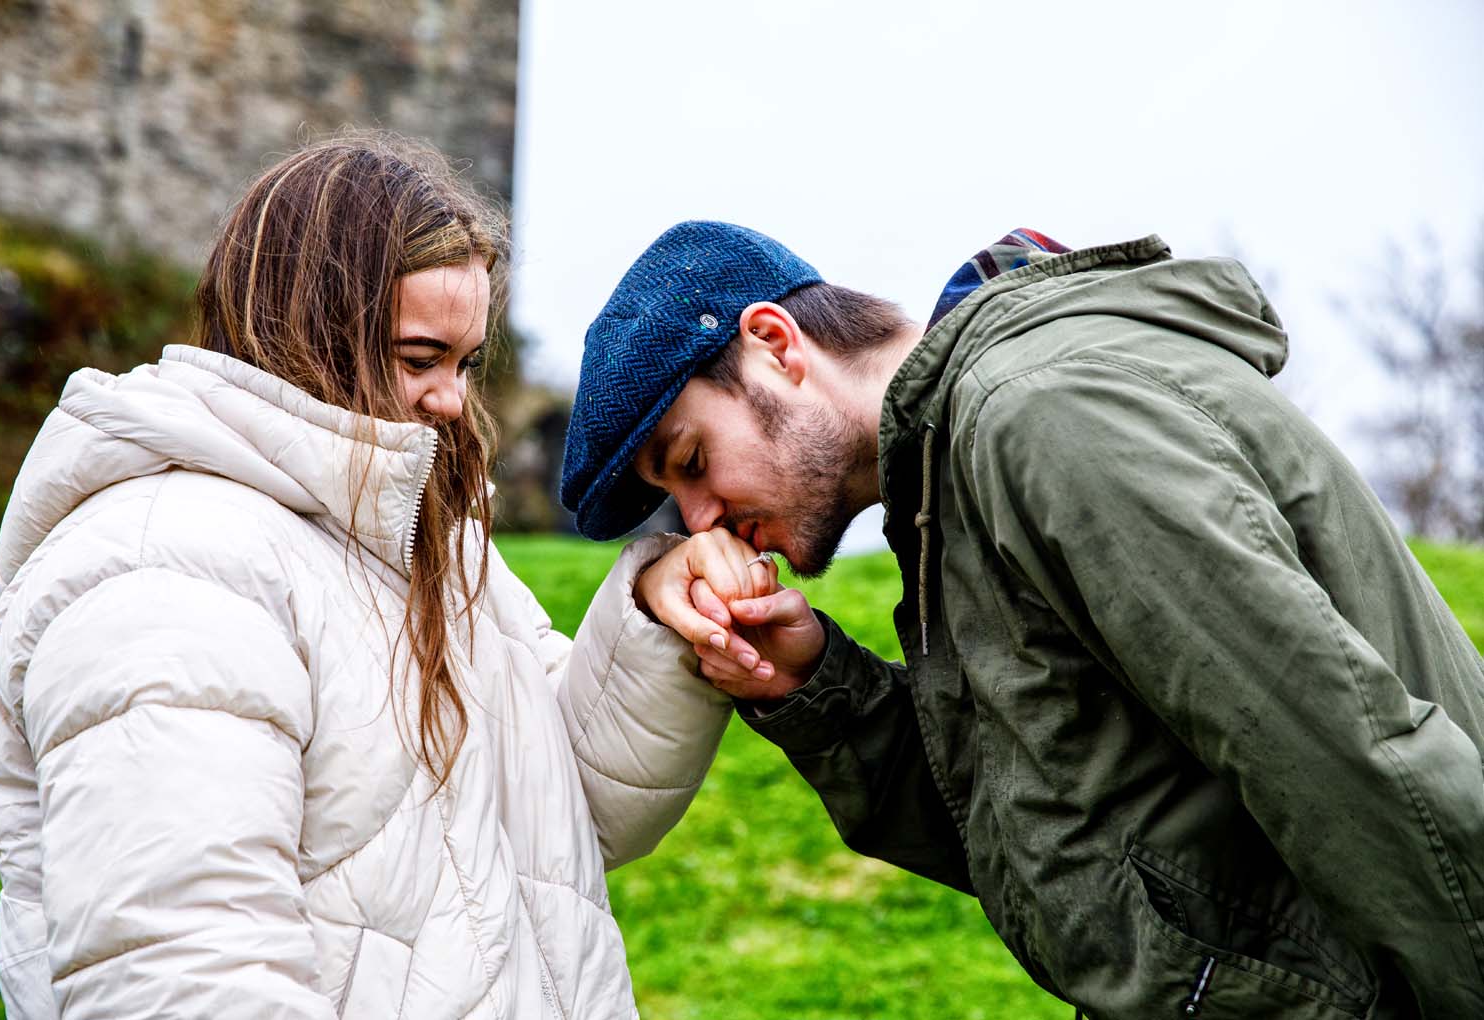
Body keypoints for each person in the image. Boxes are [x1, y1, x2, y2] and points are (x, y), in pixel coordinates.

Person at [560, 221, 1484, 1019]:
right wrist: (816, 688)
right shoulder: (954, 476)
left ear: (775, 345)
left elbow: (1347, 757)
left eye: (689, 460)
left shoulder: (1039, 420)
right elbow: (1067, 845)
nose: (699, 519)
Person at [0, 140, 772, 1019]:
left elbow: (565, 810)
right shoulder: (161, 564)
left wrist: (658, 618)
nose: (453, 400)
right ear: (304, 329)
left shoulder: (427, 541)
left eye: (464, 363)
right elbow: (176, 975)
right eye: (419, 357)